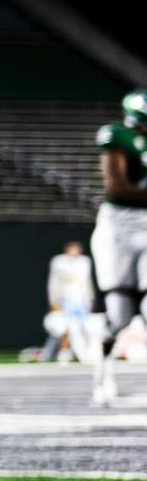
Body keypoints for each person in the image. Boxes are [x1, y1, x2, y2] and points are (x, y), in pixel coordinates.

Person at [88, 90, 147, 407]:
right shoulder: (118, 135)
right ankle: (102, 376)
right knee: (119, 316)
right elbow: (116, 186)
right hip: (119, 228)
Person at [45, 240, 96, 363]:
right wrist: (54, 301)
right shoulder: (59, 262)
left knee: (85, 329)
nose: (75, 252)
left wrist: (90, 300)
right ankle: (64, 353)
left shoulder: (84, 262)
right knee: (67, 329)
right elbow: (54, 283)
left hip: (82, 303)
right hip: (65, 302)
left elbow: (88, 283)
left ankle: (85, 354)